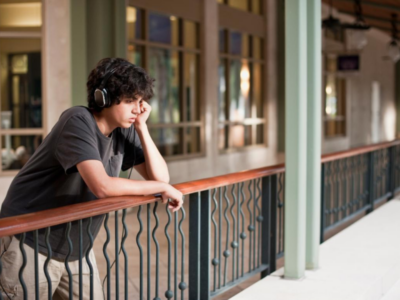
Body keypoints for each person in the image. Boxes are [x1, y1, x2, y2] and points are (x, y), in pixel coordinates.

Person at [0, 57, 183, 300]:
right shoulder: (77, 121)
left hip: (76, 248)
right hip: (30, 242)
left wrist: (142, 128)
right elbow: (102, 186)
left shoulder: (126, 129)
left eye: (140, 102)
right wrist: (161, 187)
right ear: (102, 98)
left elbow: (162, 176)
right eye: (130, 101)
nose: (137, 109)